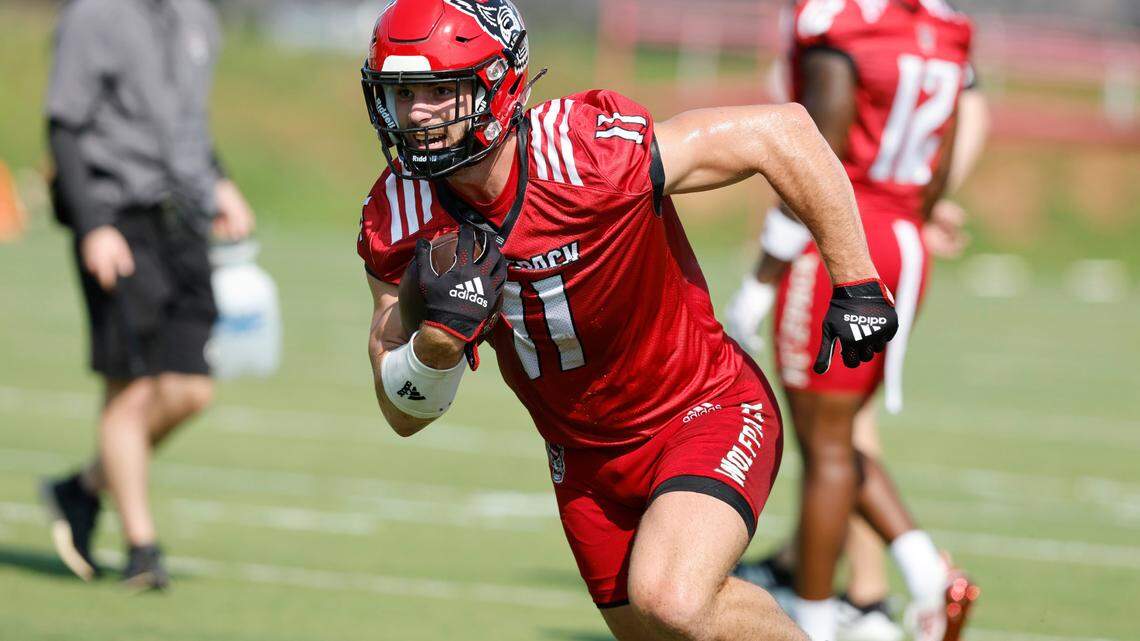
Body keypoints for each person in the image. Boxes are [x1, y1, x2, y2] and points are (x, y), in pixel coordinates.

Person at [358, 1, 899, 639]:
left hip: (701, 409)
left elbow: (780, 130)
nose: (416, 112)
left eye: (439, 91)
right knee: (660, 629)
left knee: (672, 599)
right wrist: (436, 348)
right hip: (583, 461)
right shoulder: (398, 210)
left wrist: (857, 278)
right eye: (402, 93)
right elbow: (400, 411)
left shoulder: (589, 153)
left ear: (498, 84)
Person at [723, 1, 985, 640]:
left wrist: (762, 277)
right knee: (839, 435)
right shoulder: (942, 27)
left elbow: (817, 153)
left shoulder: (839, 25)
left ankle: (821, 618)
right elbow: (943, 153)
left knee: (826, 443)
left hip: (845, 242)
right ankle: (910, 583)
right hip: (905, 237)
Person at [40, 0, 254, 590]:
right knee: (130, 388)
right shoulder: (93, 15)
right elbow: (64, 126)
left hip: (183, 221)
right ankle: (143, 549)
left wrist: (221, 181)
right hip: (119, 219)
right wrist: (93, 226)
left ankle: (81, 490)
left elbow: (189, 124)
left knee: (190, 390)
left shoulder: (195, 17)